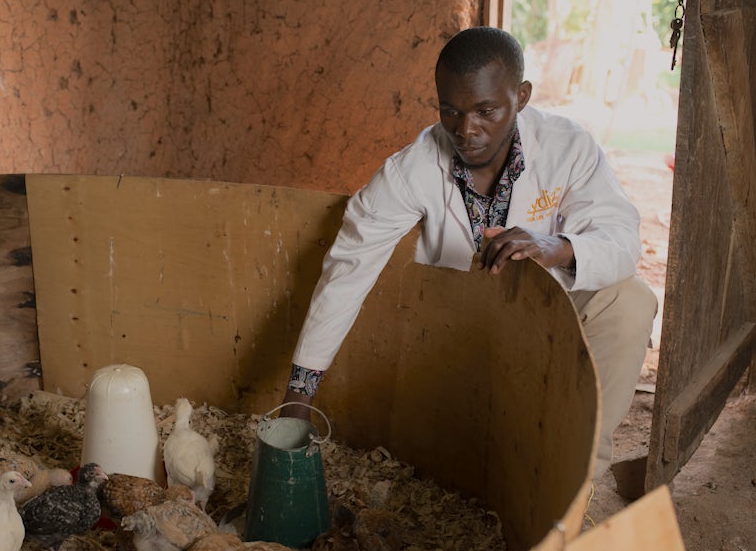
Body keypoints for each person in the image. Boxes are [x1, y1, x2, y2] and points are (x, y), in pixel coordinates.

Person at [280, 26, 657, 479]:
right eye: (450, 111)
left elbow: (620, 236)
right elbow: (347, 270)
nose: (466, 130)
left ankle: (582, 481)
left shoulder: (568, 147)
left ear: (522, 96)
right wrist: (295, 408)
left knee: (630, 300)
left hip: (546, 321)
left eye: (486, 111)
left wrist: (554, 247)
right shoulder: (411, 169)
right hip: (458, 335)